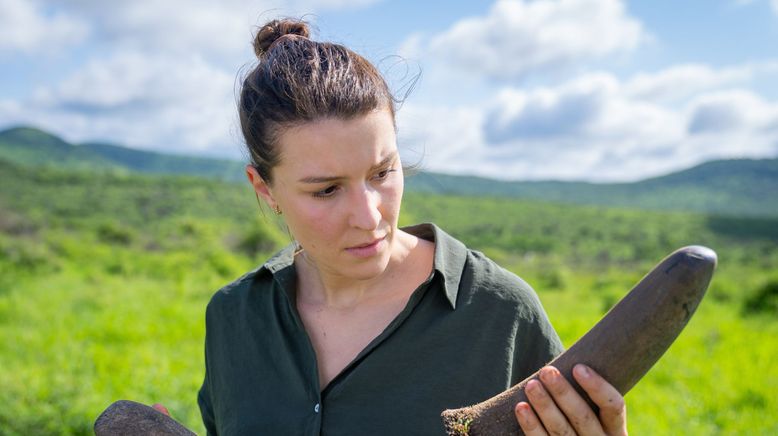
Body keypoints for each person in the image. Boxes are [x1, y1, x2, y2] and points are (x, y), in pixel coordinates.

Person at [190, 18, 628, 435]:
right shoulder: (234, 317)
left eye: (382, 173)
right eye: (326, 190)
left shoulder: (500, 314)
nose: (369, 216)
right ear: (264, 190)